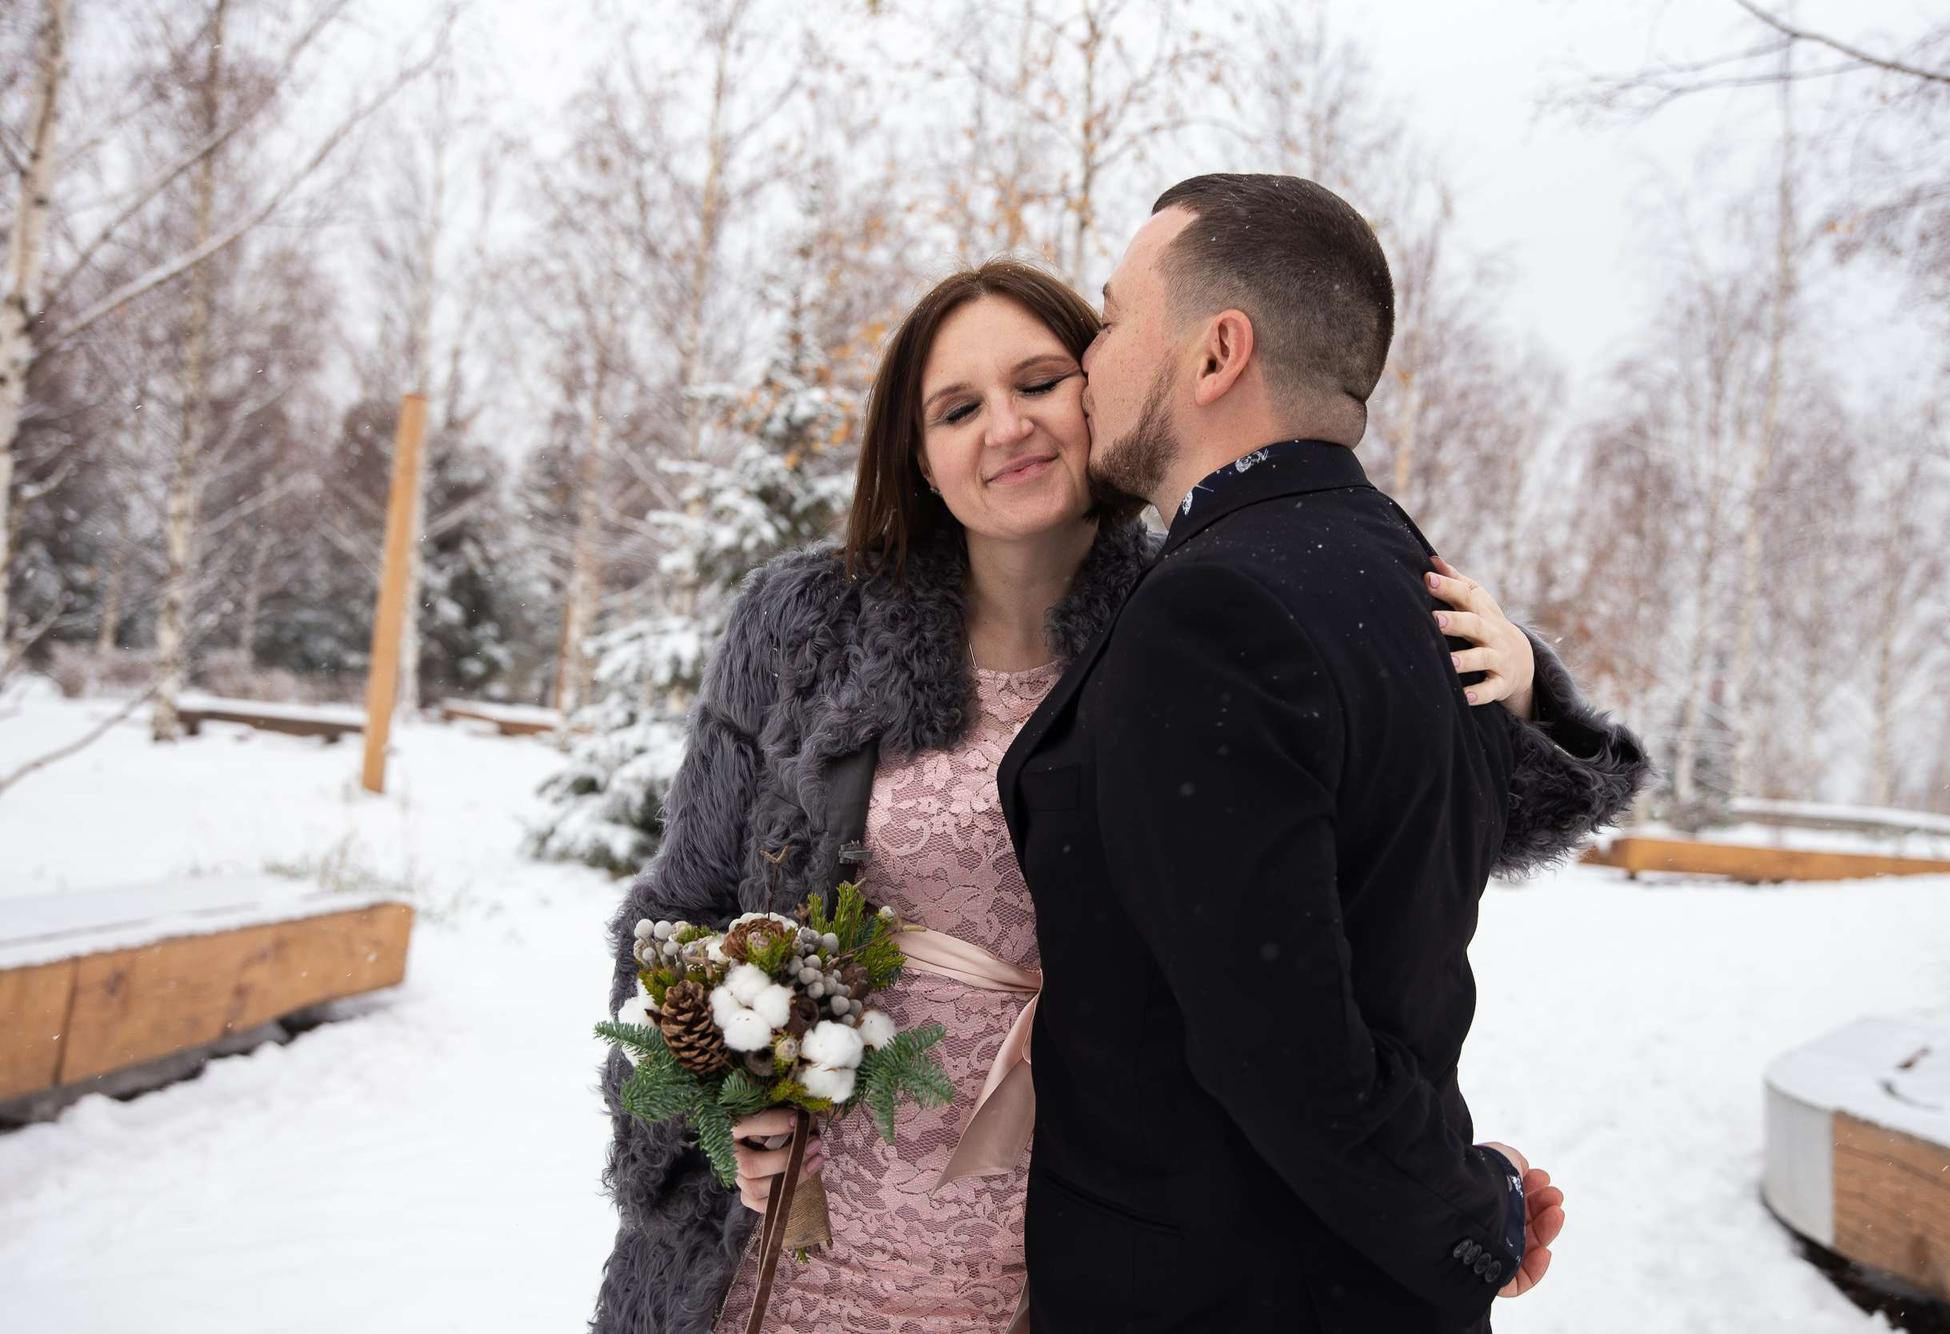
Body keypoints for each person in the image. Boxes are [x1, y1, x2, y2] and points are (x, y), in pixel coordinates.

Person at [592, 256, 1646, 1334]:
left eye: (1039, 381)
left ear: (1097, 385)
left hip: (1089, 1240)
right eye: (957, 408)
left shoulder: (1202, 615)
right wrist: (720, 1095)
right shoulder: (805, 624)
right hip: (802, 1234)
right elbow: (680, 914)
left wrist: (1513, 701)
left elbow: (1382, 865)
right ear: (916, 454)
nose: (1006, 426)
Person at [993, 173, 1651, 1333]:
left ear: (1215, 353)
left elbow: (1283, 1054)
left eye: (1108, 317)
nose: (1086, 359)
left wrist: (1469, 1212)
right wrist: (1461, 1192)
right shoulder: (1405, 573)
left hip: (1226, 1293)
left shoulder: (1211, 614)